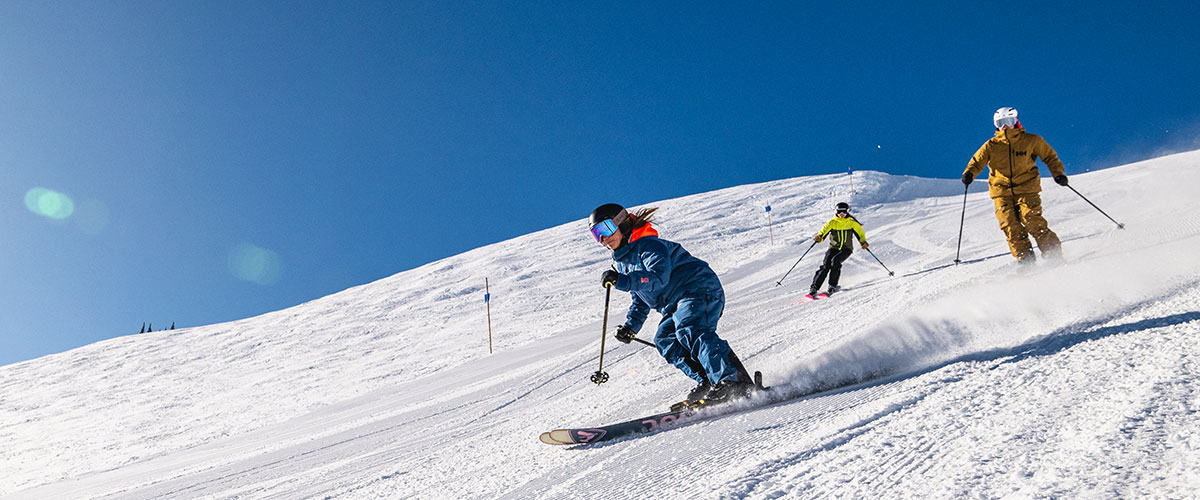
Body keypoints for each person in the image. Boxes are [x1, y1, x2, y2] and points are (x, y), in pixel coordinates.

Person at [588, 203, 754, 405]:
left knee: (690, 328)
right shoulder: (623, 263)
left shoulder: (649, 246)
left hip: (698, 289)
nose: (603, 239)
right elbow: (640, 297)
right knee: (664, 339)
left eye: (605, 229)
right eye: (597, 235)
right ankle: (708, 380)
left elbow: (658, 277)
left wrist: (622, 281)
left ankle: (731, 381)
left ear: (621, 223)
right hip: (674, 305)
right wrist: (631, 327)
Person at [962, 107, 1067, 264]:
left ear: (1016, 121)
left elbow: (1050, 157)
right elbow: (977, 161)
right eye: (1001, 123)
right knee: (1009, 225)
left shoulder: (1032, 140)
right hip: (1001, 191)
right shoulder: (991, 145)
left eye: (1008, 121)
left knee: (1031, 220)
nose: (1005, 126)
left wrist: (1058, 174)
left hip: (1027, 188)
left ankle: (1053, 254)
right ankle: (1025, 260)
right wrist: (969, 173)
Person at [807, 202, 868, 299]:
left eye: (844, 211)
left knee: (835, 262)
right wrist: (819, 238)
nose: (842, 214)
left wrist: (863, 242)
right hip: (833, 248)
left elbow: (860, 234)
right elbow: (823, 233)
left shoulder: (852, 223)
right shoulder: (832, 223)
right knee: (826, 265)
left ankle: (832, 286)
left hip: (846, 249)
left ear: (847, 212)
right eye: (840, 211)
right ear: (836, 212)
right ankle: (814, 288)